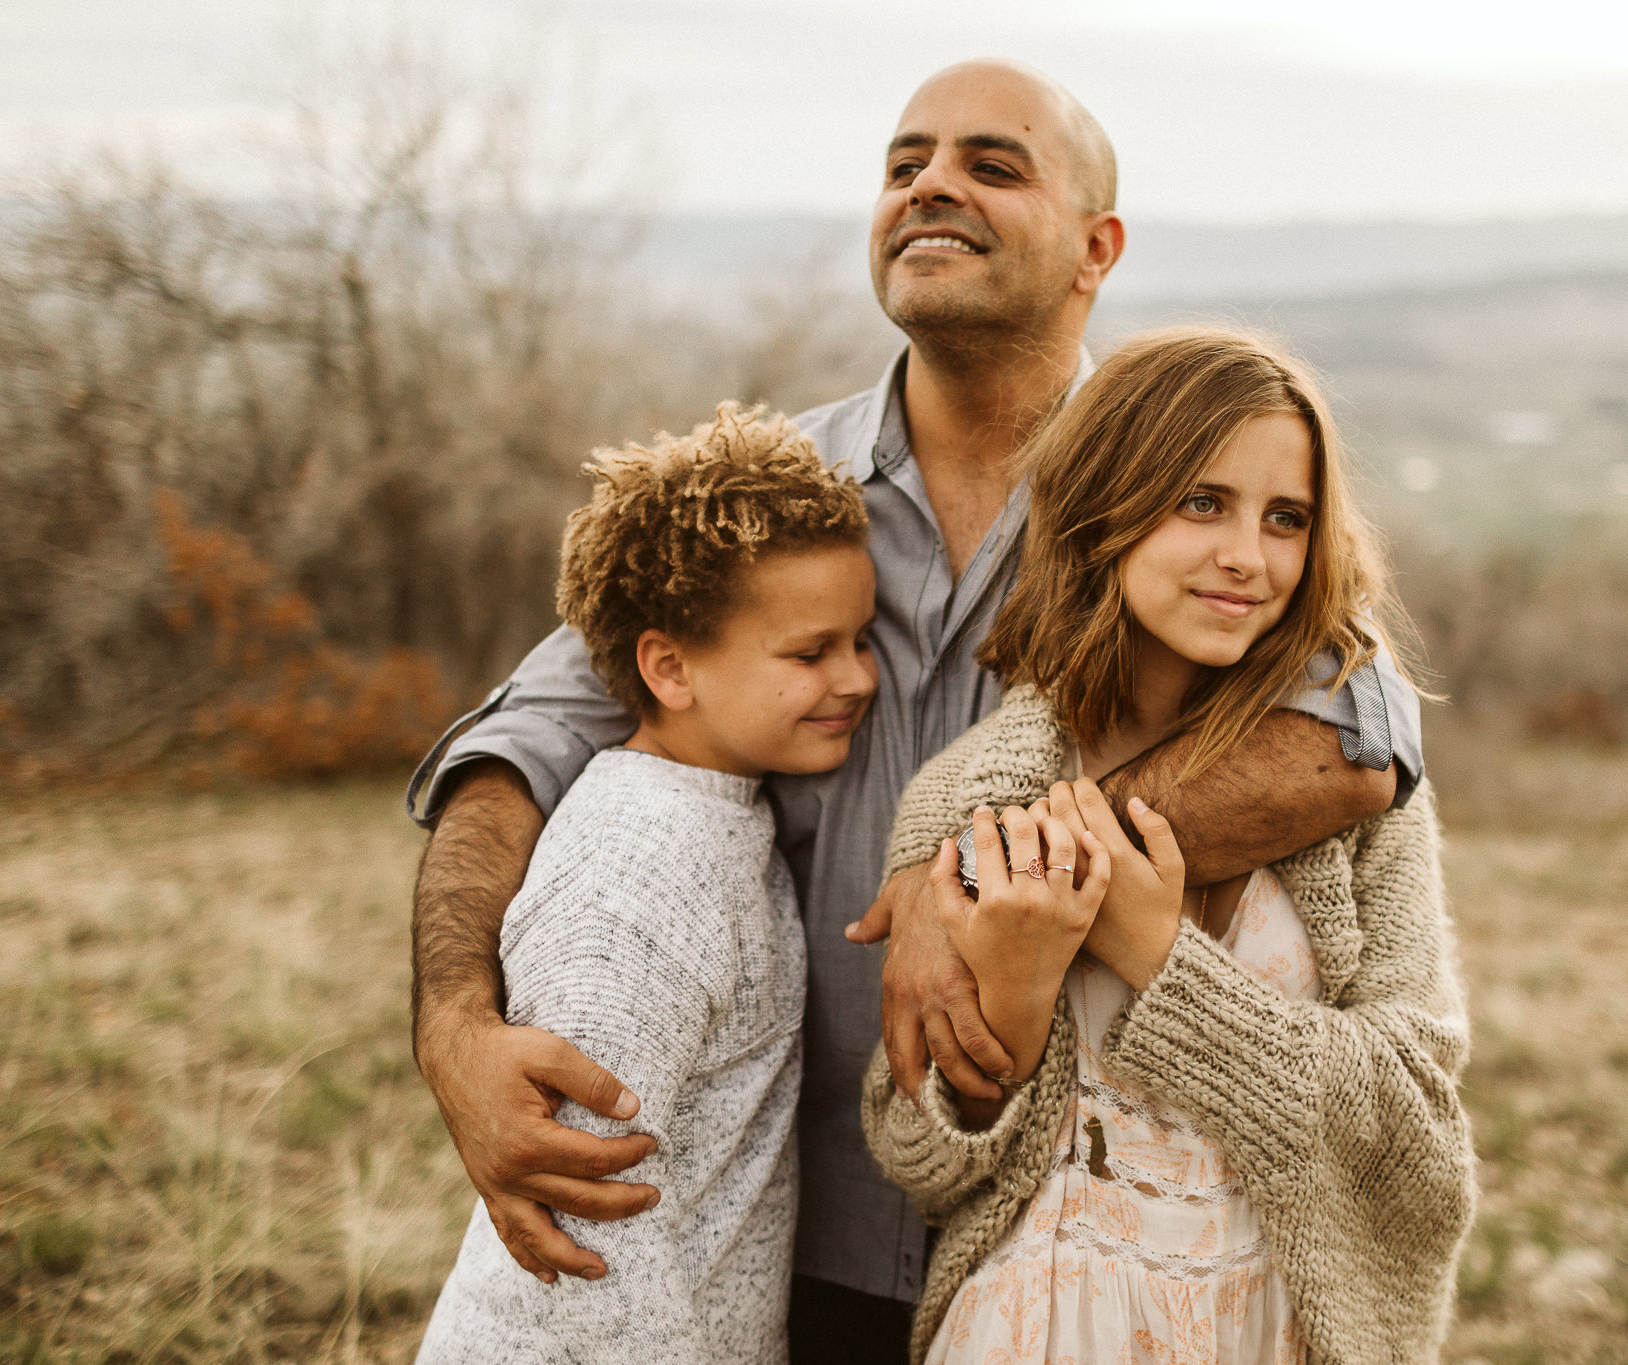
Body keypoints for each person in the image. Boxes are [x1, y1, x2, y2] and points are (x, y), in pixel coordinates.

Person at [404, 59, 1427, 1364]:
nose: (931, 184)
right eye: (904, 165)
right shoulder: (769, 500)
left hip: (1047, 1238)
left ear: (1095, 249)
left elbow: (1355, 746)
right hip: (767, 1235)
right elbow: (517, 746)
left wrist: (983, 877)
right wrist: (452, 1020)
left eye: (992, 164)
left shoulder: (1180, 506)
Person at [863, 327, 1474, 1365]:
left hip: (1269, 1327)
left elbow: (1417, 1137)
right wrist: (1009, 1000)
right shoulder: (970, 796)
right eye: (1201, 502)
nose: (1248, 555)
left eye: (1285, 519)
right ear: (1105, 505)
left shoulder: (1355, 804)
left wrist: (1157, 956)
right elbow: (915, 1155)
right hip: (1032, 1325)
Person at [417, 405, 877, 1362]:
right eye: (810, 652)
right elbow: (590, 1230)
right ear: (670, 666)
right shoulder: (634, 875)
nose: (858, 678)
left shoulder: (730, 807)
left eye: (862, 640)